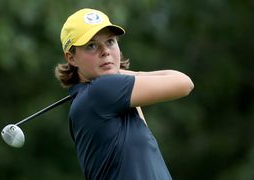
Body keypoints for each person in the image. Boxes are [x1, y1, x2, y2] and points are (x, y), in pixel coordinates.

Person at [55, 8, 194, 180]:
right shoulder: (101, 92)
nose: (105, 51)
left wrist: (117, 72)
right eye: (91, 45)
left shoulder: (100, 96)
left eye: (110, 42)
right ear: (71, 58)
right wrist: (127, 73)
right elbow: (184, 82)